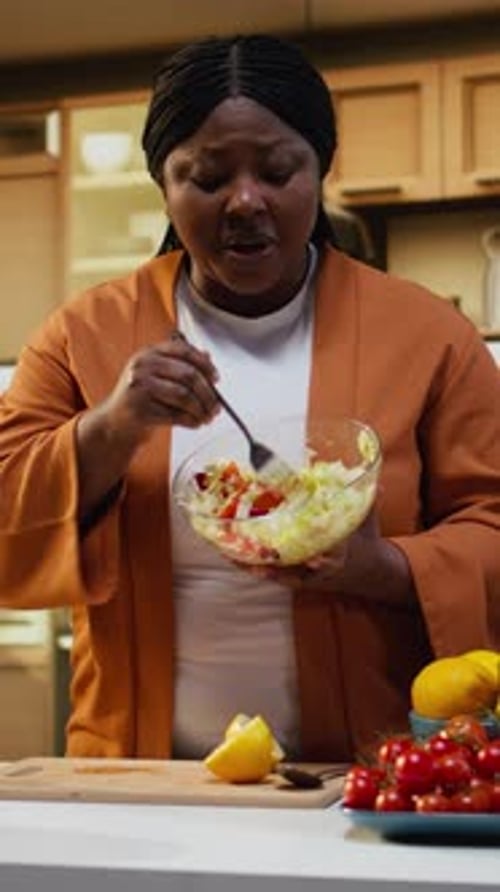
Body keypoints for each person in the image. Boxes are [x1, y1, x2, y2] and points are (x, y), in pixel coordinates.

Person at [0, 34, 499, 763]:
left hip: (365, 774)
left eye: (276, 170)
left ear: (321, 168)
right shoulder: (84, 336)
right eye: (205, 177)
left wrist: (382, 567)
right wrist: (111, 426)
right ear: (163, 185)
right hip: (140, 776)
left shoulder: (431, 337)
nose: (244, 202)